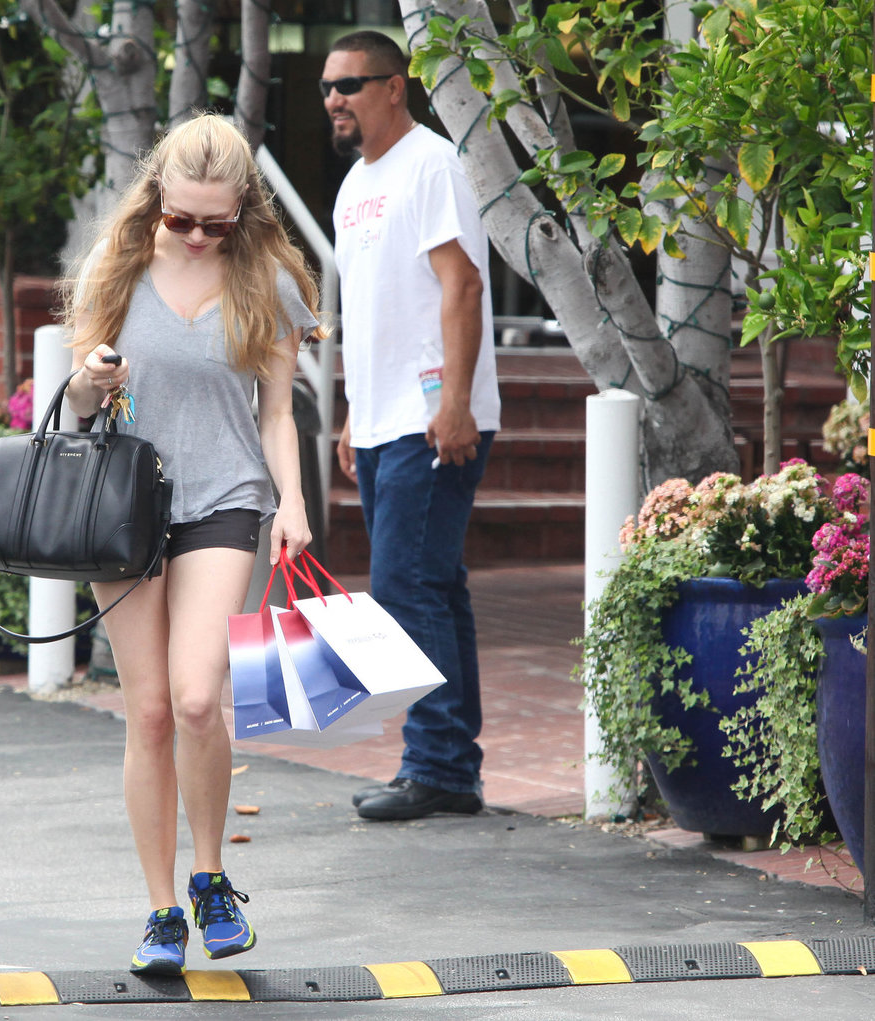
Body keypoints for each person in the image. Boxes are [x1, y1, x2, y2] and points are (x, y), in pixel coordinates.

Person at [62, 114, 322, 975]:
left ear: (246, 206)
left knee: (200, 697)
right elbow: (74, 411)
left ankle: (211, 877)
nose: (200, 235)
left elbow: (279, 412)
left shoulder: (273, 278)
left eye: (219, 221)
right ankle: (160, 908)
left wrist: (292, 502)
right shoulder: (117, 265)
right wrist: (93, 381)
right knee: (148, 709)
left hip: (224, 494)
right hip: (124, 505)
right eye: (184, 220)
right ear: (158, 197)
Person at [321, 31, 501, 822]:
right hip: (384, 417)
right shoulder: (356, 183)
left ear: (396, 86)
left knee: (402, 588)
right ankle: (450, 767)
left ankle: (434, 763)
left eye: (351, 84)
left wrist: (455, 402)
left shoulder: (433, 164)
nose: (335, 98)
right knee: (434, 586)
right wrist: (355, 410)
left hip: (433, 418)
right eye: (328, 87)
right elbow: (371, 308)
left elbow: (460, 285)